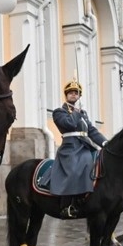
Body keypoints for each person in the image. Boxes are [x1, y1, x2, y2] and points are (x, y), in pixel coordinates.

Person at [44, 79, 107, 218]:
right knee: (76, 166)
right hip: (70, 147)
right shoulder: (59, 112)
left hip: (85, 145)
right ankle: (66, 205)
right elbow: (69, 124)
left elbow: (92, 131)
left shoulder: (83, 114)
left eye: (76, 93)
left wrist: (105, 143)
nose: (73, 95)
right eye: (70, 93)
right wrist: (76, 113)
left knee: (99, 162)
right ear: (66, 95)